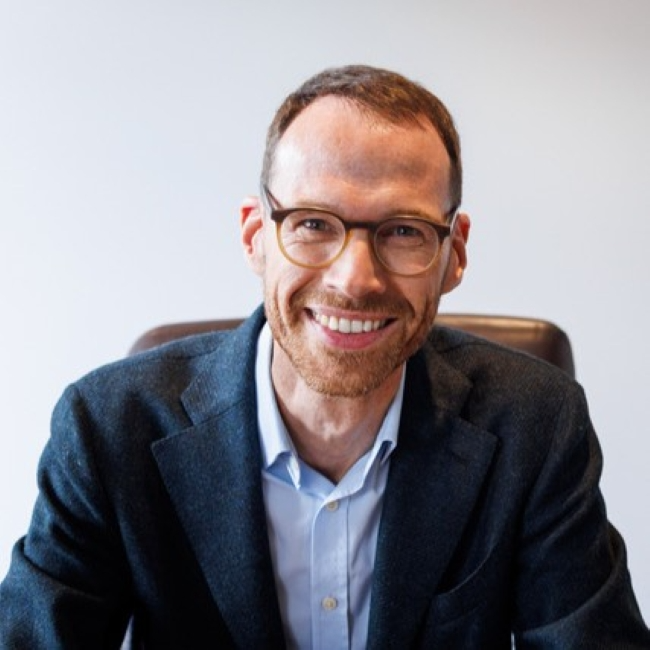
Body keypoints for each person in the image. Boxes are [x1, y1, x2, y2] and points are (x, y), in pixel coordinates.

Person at [0, 65, 648, 650]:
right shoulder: (106, 429)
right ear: (256, 237)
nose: (355, 279)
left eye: (403, 230)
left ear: (454, 253)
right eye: (312, 223)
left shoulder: (537, 424)